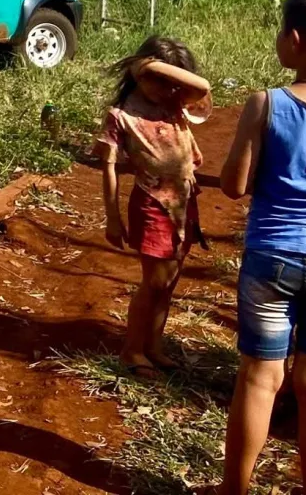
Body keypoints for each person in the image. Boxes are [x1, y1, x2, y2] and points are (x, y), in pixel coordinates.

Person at [217, 0, 306, 495]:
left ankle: (233, 490)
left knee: (260, 377)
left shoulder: (266, 103)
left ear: (294, 39)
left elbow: (235, 185)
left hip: (272, 255)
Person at [96, 35, 211, 376]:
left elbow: (202, 86)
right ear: (139, 72)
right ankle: (132, 350)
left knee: (170, 281)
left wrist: (157, 68)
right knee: (155, 282)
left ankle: (153, 346)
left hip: (184, 204)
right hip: (152, 205)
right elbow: (110, 169)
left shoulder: (176, 105)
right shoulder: (121, 116)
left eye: (172, 81)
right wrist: (113, 219)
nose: (166, 88)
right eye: (157, 78)